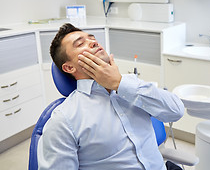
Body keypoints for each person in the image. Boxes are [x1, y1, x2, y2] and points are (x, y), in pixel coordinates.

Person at [37, 23, 185, 170]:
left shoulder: (132, 85)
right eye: (81, 44)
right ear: (69, 67)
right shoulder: (64, 120)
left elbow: (176, 111)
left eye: (92, 38)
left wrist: (119, 83)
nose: (93, 42)